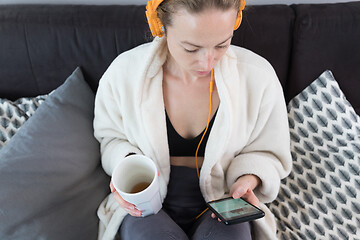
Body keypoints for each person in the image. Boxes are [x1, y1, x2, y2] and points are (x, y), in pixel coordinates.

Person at [93, 0, 292, 239]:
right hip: (146, 199)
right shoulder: (123, 75)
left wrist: (248, 179)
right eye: (191, 48)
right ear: (160, 26)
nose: (207, 62)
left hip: (224, 198)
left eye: (222, 45)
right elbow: (111, 138)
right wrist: (128, 170)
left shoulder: (259, 78)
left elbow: (268, 152)